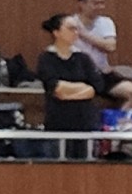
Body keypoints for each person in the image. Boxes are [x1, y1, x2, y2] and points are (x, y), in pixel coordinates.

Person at [35, 12, 101, 160]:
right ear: (56, 32)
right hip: (58, 123)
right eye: (71, 28)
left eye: (77, 29)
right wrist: (82, 87)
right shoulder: (46, 59)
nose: (75, 32)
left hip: (84, 123)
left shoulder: (83, 58)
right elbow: (56, 88)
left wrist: (68, 91)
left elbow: (95, 87)